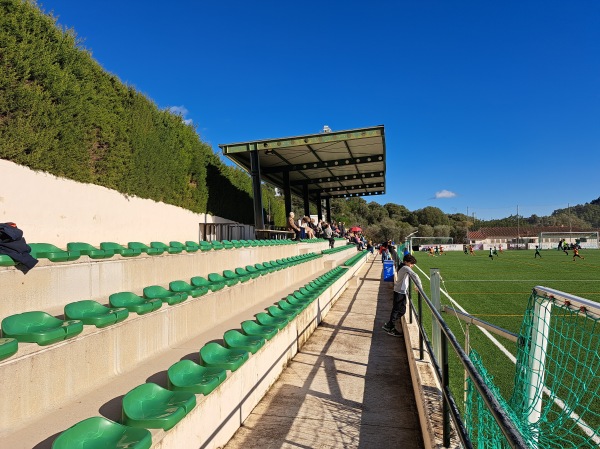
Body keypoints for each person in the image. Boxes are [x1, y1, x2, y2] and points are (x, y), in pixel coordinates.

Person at [383, 253, 422, 337]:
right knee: (397, 310)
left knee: (402, 310)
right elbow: (415, 275)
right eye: (411, 264)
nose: (412, 266)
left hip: (401, 291)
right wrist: (419, 286)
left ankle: (390, 324)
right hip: (399, 292)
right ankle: (390, 327)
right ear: (406, 262)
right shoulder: (405, 267)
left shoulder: (402, 266)